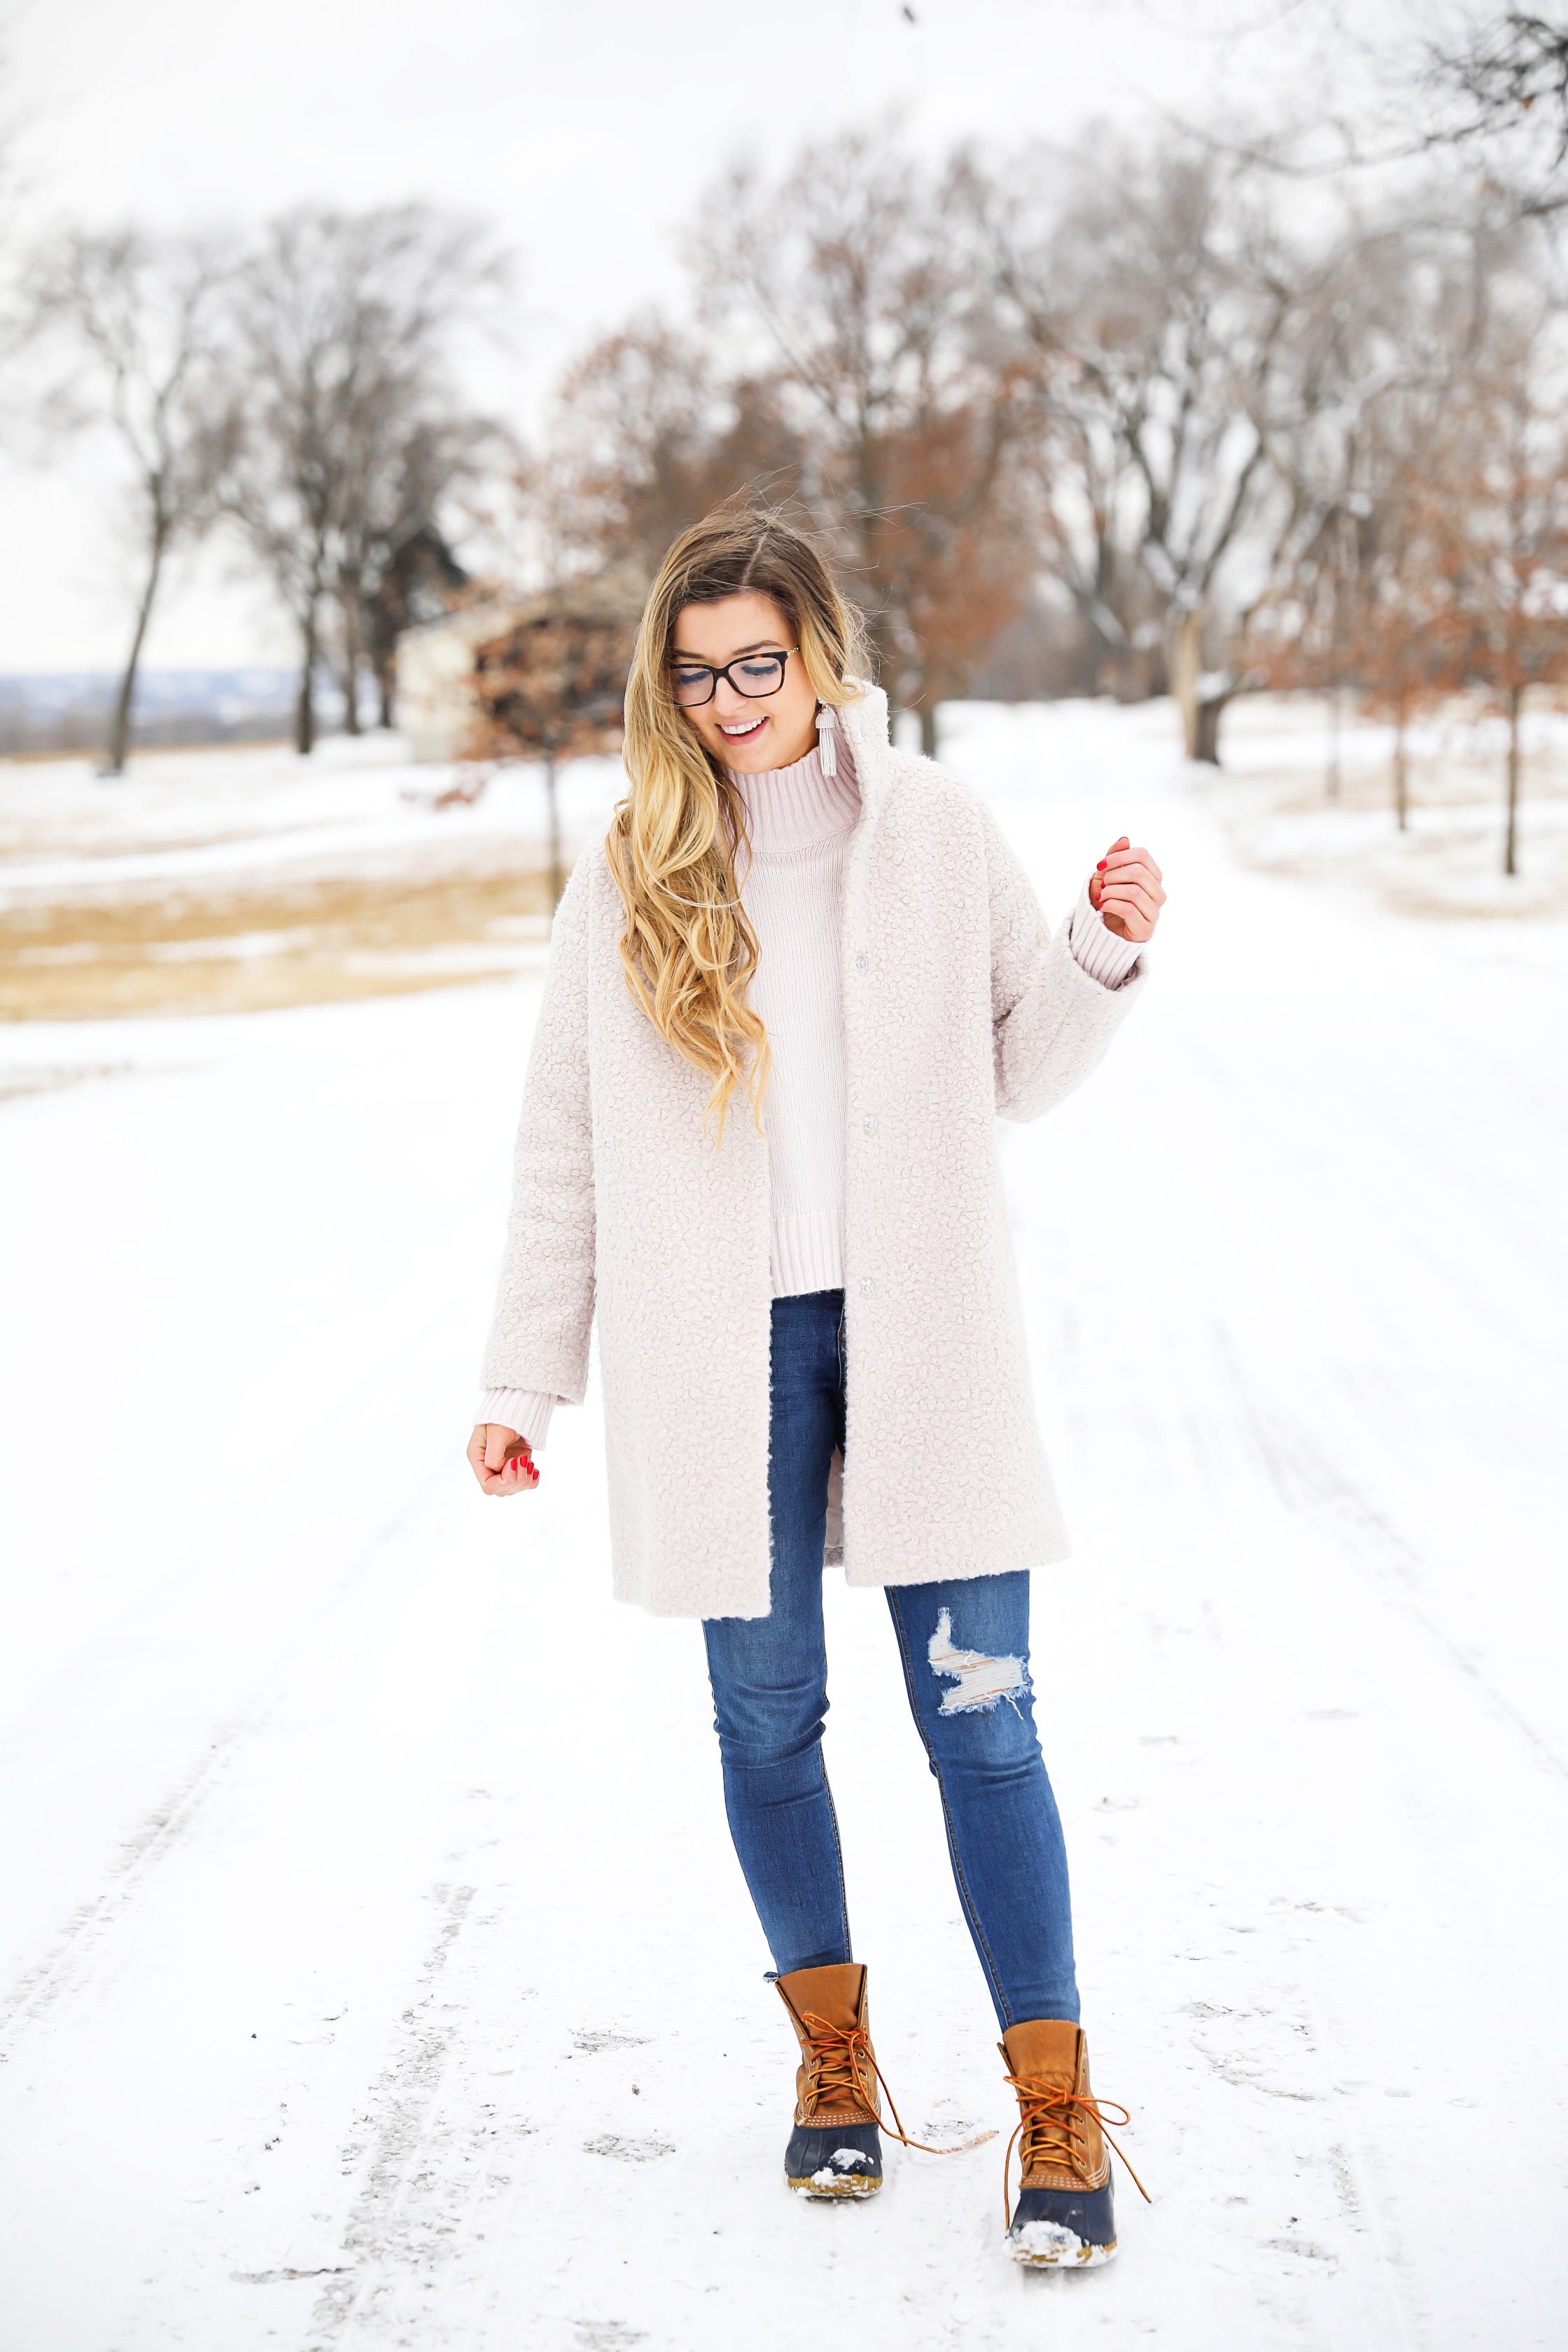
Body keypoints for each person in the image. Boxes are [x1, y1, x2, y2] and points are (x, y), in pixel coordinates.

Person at [466, 508, 1165, 2267]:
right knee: (765, 1724)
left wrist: (1098, 954)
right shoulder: (632, 863)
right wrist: (520, 1380)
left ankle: (1054, 2104)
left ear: (820, 652)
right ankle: (832, 2070)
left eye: (757, 665)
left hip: (922, 1330)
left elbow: (1020, 1067)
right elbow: (564, 1145)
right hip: (723, 1359)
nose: (727, 702)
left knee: (982, 1721)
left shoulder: (931, 827)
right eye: (695, 674)